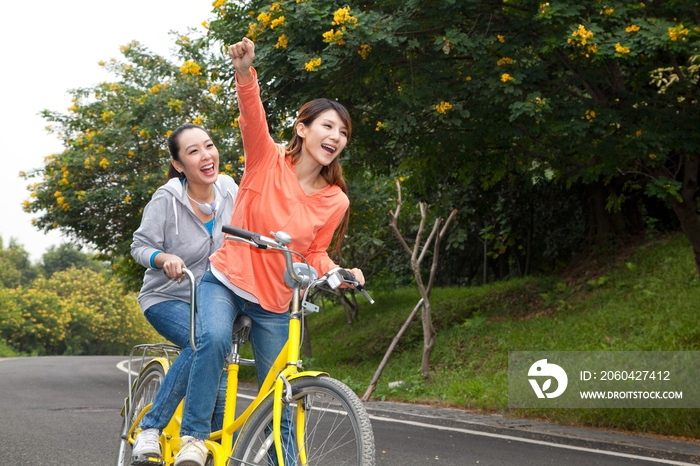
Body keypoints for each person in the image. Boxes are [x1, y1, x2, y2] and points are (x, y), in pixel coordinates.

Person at [173, 37, 365, 466]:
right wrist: (244, 72)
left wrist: (338, 269)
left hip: (276, 300)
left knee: (282, 389)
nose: (335, 136)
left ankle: (288, 463)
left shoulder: (336, 200)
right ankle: (194, 438)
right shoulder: (266, 158)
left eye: (343, 132)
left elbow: (315, 252)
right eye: (327, 126)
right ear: (303, 129)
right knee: (216, 338)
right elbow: (251, 118)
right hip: (227, 279)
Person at [129, 123, 238, 466]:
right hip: (167, 297)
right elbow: (140, 247)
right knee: (201, 340)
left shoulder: (230, 190)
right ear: (178, 164)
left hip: (216, 299)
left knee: (215, 361)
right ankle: (151, 426)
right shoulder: (166, 198)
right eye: (193, 151)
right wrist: (163, 258)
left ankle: (204, 450)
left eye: (209, 146)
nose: (206, 156)